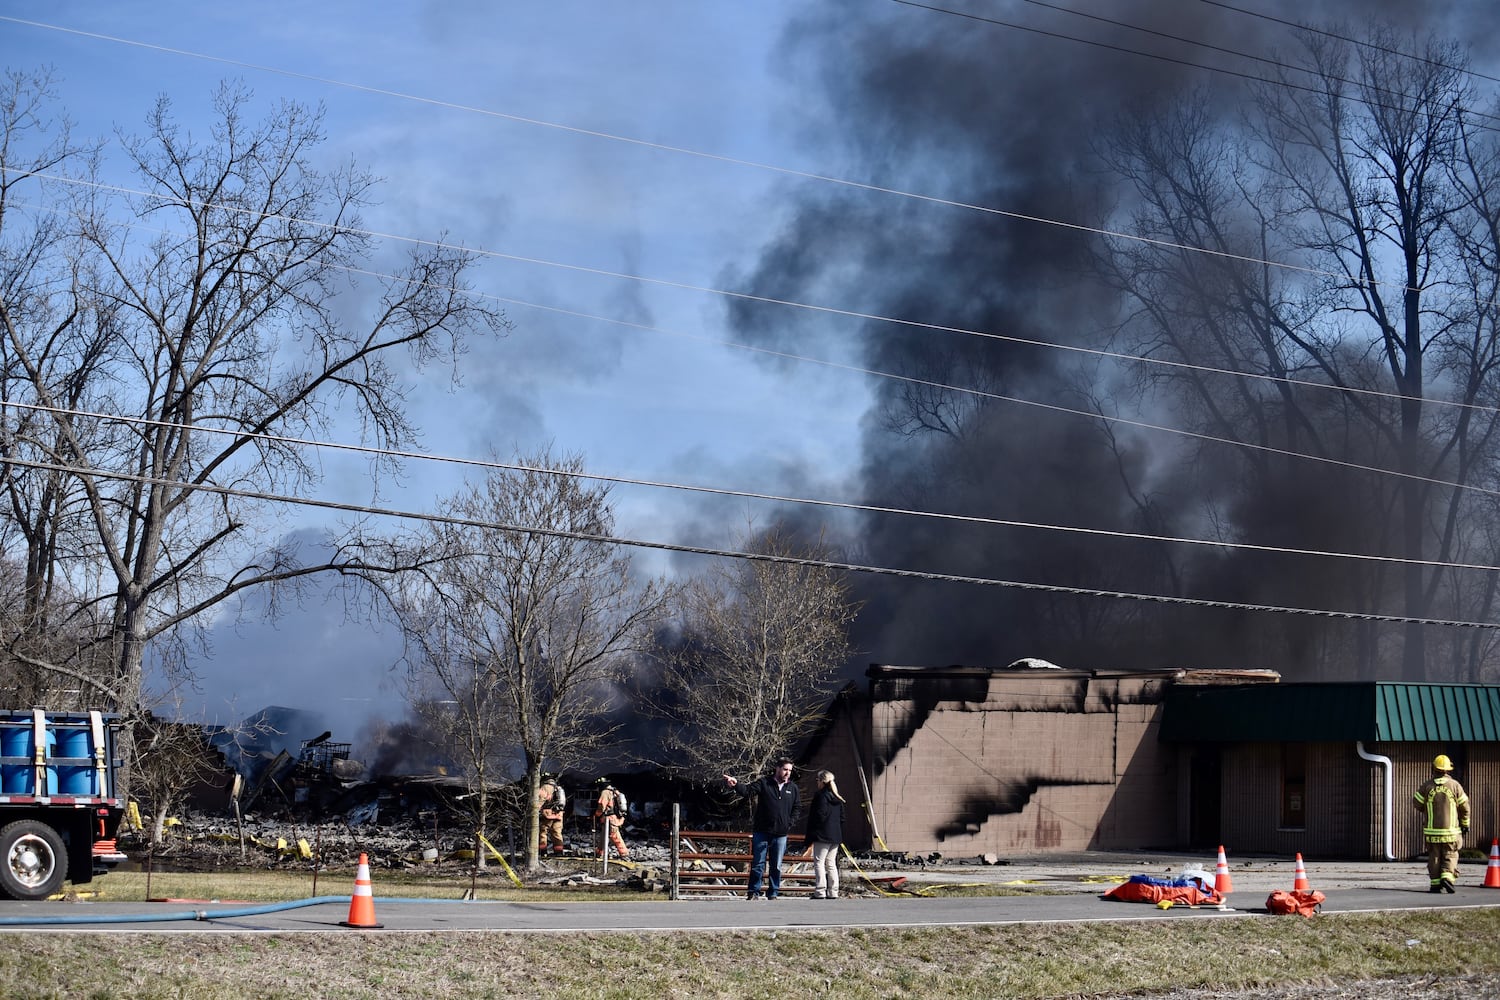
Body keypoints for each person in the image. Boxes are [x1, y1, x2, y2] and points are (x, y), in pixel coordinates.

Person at [723, 758, 801, 900]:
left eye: (790, 770)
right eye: (785, 769)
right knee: (758, 864)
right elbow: (747, 791)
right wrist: (736, 785)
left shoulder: (793, 788)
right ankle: (754, 892)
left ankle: (773, 892)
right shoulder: (765, 783)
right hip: (762, 831)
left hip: (781, 834)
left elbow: (797, 808)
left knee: (776, 866)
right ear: (777, 768)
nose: (787, 773)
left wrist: (790, 822)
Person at [1413, 753, 1470, 893]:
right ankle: (1447, 877)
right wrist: (1465, 824)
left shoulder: (1427, 786)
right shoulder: (1455, 786)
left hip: (1432, 832)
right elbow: (1465, 807)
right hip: (1451, 832)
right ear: (1448, 770)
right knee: (1450, 854)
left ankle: (1435, 884)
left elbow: (1417, 804)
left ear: (1434, 768)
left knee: (1434, 856)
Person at [803, 769, 846, 899]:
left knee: (819, 862)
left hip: (822, 834)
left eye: (817, 780)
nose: (817, 783)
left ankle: (820, 890)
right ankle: (833, 891)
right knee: (831, 863)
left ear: (822, 781)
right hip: (836, 835)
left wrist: (812, 833)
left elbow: (818, 816)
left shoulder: (820, 796)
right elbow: (842, 818)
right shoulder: (837, 797)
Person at [594, 779, 630, 860]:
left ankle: (624, 853)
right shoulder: (614, 791)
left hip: (609, 819)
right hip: (613, 818)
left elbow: (602, 805)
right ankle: (599, 853)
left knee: (615, 836)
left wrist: (596, 814)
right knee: (604, 836)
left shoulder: (605, 792)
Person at [536, 774, 566, 857]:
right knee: (557, 833)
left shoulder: (544, 788)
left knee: (542, 833)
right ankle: (559, 852)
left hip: (547, 814)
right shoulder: (558, 788)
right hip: (559, 814)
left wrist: (535, 811)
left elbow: (540, 801)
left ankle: (543, 852)